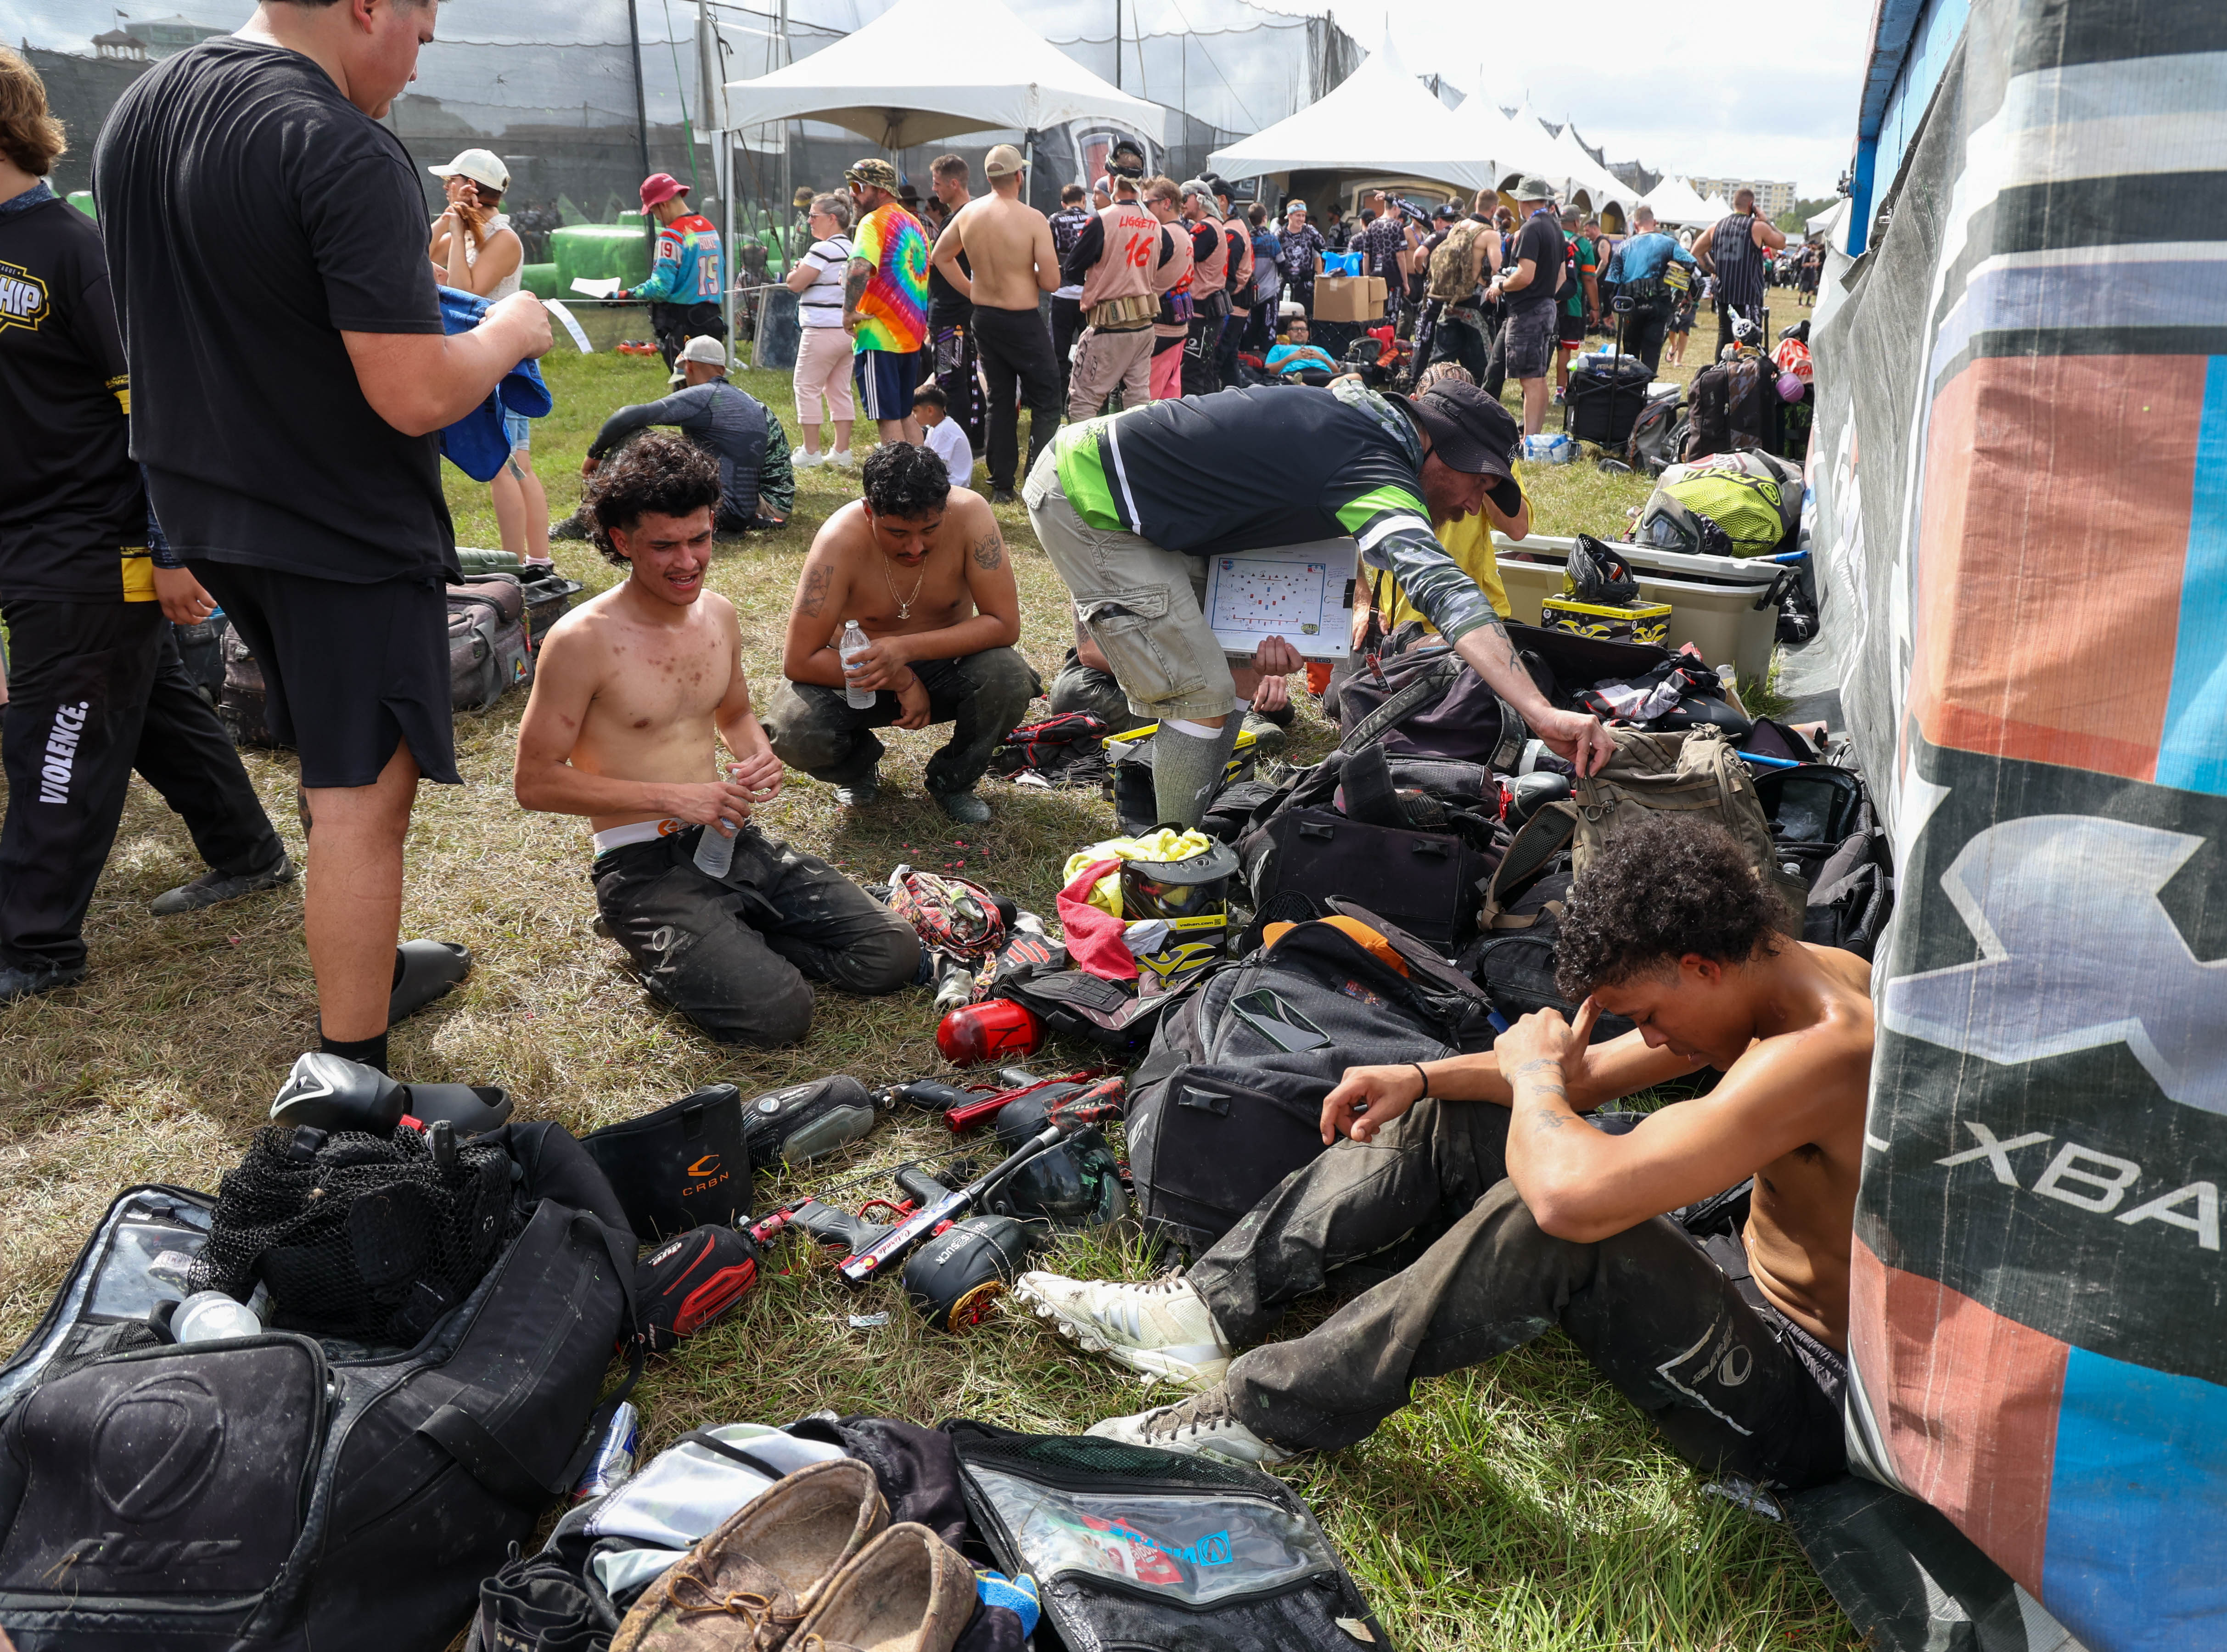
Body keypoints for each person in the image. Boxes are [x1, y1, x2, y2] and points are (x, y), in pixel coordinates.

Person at [1018, 813, 1871, 1497]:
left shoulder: (1829, 1047)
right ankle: (1202, 1310)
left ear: (1700, 967)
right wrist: (1422, 1075)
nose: (1650, 1036)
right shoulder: (1776, 976)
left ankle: (1264, 1416)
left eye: (1646, 1011)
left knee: (1552, 1220)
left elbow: (1569, 1198)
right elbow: (1590, 1078)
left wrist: (1534, 1075)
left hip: (1799, 1391)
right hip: (1742, 1276)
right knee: (1454, 1112)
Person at [95, 0, 553, 1075]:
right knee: (362, 789)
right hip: (334, 521)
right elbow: (412, 394)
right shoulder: (343, 143)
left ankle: (367, 955)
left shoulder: (140, 112)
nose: (423, 50)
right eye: (425, 23)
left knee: (322, 753)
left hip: (205, 498)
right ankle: (353, 1071)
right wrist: (509, 331)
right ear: (367, 6)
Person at [0, 47, 292, 1004]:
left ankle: (36, 945)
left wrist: (166, 551)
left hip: (95, 548)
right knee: (152, 708)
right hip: (30, 541)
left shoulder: (74, 249)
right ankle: (248, 852)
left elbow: (154, 406)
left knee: (56, 732)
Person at [1024, 376, 1611, 829]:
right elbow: (1448, 592)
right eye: (1478, 486)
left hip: (1154, 508)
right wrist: (1541, 713)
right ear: (1446, 452)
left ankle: (1193, 827)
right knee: (1200, 691)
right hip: (1088, 494)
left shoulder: (1371, 420)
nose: (1470, 506)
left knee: (1236, 676)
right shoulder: (1374, 467)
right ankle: (1173, 866)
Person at [514, 434, 922, 1048]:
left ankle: (728, 942)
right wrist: (679, 797)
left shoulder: (719, 615)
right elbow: (534, 782)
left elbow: (733, 713)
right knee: (779, 1013)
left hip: (728, 840)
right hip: (641, 864)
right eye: (664, 546)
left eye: (699, 539)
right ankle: (670, 950)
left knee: (893, 952)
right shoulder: (580, 641)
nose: (687, 562)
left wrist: (755, 752)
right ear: (621, 541)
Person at [763, 444, 1034, 825]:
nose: (915, 547)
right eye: (897, 533)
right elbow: (799, 659)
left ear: (945, 508)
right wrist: (899, 676)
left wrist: (902, 649)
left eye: (930, 530)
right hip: (863, 676)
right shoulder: (839, 541)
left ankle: (953, 780)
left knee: (1008, 677)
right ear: (869, 511)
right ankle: (857, 767)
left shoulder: (971, 514)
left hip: (946, 664)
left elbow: (1004, 624)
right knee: (793, 727)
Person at [426, 147, 550, 573]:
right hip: (484, 356)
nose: (444, 186)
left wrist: (460, 233)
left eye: (451, 180)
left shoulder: (504, 238)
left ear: (471, 188)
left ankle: (519, 566)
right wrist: (448, 222)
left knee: (508, 466)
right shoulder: (468, 230)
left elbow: (467, 292)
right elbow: (417, 256)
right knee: (515, 464)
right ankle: (535, 560)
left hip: (503, 363)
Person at [1350, 362, 1529, 651]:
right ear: (1416, 411)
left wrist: (1478, 470)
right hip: (1395, 627)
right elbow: (1343, 537)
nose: (1471, 508)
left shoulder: (1494, 458)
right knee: (1341, 693)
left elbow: (1518, 528)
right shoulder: (1386, 457)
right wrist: (1362, 603)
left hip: (1474, 621)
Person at [930, 144, 1061, 505]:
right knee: (1048, 398)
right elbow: (1051, 282)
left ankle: (1002, 483)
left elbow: (940, 256)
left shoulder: (969, 213)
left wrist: (972, 290)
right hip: (1020, 319)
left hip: (984, 317)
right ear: (1020, 176)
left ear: (989, 178)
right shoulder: (1032, 218)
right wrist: (1026, 270)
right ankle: (1039, 475)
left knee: (1000, 399)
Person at [582, 337, 792, 534]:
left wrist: (595, 453)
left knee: (638, 440)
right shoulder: (741, 400)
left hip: (760, 502)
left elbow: (627, 416)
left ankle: (588, 518)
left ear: (689, 366)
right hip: (762, 500)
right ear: (722, 369)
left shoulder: (707, 396)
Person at [1061, 169, 1168, 421]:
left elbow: (1073, 270)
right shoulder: (1154, 222)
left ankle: (1083, 459)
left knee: (1083, 402)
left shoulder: (1102, 220)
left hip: (1110, 328)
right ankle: (1136, 455)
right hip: (1144, 327)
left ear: (1112, 182)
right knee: (1138, 403)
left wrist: (1101, 279)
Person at [843, 158, 930, 447]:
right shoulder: (915, 224)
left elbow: (859, 268)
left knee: (889, 418)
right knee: (906, 414)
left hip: (879, 336)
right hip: (910, 337)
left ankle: (896, 487)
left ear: (880, 189)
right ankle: (923, 481)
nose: (852, 194)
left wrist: (848, 312)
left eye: (858, 186)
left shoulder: (873, 221)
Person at [617, 172, 724, 371]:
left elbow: (659, 289)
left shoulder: (671, 236)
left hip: (685, 329)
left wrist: (623, 296)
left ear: (663, 204)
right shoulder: (708, 228)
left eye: (654, 211)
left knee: (685, 392)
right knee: (711, 388)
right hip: (712, 322)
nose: (657, 218)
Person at [1485, 177, 1565, 437]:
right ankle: (1534, 437)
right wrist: (1544, 295)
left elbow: (1525, 274)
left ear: (1524, 200)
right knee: (1538, 377)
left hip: (1528, 311)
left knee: (1529, 379)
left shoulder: (1532, 228)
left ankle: (1529, 440)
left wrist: (1501, 287)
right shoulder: (1555, 227)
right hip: (1547, 307)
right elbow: (1561, 276)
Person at [784, 191, 857, 470]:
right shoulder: (851, 247)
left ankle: (811, 451)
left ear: (832, 219)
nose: (809, 222)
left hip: (821, 330)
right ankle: (841, 450)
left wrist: (797, 270)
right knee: (839, 388)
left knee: (806, 385)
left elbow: (795, 284)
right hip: (846, 330)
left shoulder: (822, 249)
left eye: (814, 216)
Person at [923, 154, 986, 459]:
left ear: (954, 183)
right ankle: (973, 440)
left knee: (950, 380)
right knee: (962, 377)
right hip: (955, 314)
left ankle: (959, 447)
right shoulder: (970, 214)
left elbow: (944, 260)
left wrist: (972, 293)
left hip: (952, 317)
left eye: (937, 184)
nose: (934, 190)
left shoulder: (961, 217)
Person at [1415, 191, 1500, 384]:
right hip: (1474, 303)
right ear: (1493, 209)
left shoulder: (1457, 228)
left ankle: (1428, 396)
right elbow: (1497, 268)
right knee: (1483, 364)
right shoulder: (1489, 234)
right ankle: (1479, 404)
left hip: (1450, 301)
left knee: (1440, 360)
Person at [1601, 205, 1699, 373]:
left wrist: (1606, 311)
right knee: (1651, 355)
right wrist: (1689, 296)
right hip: (1658, 306)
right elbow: (1693, 267)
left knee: (1630, 358)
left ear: (1635, 225)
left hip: (1630, 306)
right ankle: (1646, 392)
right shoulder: (1669, 243)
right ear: (1654, 223)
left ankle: (1631, 395)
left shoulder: (1624, 247)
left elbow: (1609, 283)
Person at [1693, 188, 1785, 361]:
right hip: (1748, 293)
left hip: (1724, 292)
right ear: (1752, 205)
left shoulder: (1716, 226)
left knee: (1725, 336)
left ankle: (1723, 373)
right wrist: (1767, 221)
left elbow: (1696, 251)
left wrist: (1714, 269)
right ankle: (1748, 378)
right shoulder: (1757, 227)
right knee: (1750, 338)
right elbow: (1782, 243)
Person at [1174, 179, 1229, 397]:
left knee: (1191, 373)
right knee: (1205, 372)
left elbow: (1180, 258)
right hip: (1210, 310)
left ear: (1200, 199)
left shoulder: (1205, 228)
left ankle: (1194, 425)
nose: (1181, 204)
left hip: (1202, 312)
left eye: (1184, 198)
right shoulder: (1215, 225)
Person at [1143, 177, 1195, 402]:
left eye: (1147, 204)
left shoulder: (1163, 234)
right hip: (1176, 325)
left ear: (1166, 203)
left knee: (1147, 402)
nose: (1143, 210)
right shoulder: (1184, 233)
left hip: (1160, 327)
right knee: (1169, 397)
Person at [1048, 182, 1093, 406]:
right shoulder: (1094, 220)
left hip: (1062, 294)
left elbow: (1048, 252)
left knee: (1059, 352)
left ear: (1063, 203)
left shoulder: (1055, 219)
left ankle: (1059, 401)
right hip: (1089, 296)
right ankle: (1086, 401)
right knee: (1091, 351)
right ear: (1084, 200)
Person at [1553, 205, 1599, 403]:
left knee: (1542, 347)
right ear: (1577, 223)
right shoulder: (1584, 246)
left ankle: (1530, 390)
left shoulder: (1549, 235)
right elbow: (1589, 279)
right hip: (1571, 304)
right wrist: (1596, 308)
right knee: (1565, 348)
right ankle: (1560, 392)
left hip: (1543, 301)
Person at [1354, 189, 1407, 323]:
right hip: (1393, 277)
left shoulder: (1372, 225)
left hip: (1375, 276)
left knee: (1375, 314)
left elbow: (1366, 255)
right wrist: (1405, 282)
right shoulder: (1397, 226)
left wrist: (1366, 278)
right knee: (1391, 315)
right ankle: (1388, 343)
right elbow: (1401, 256)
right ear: (1395, 208)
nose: (1400, 212)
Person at [1274, 200, 1325, 320]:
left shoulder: (1311, 231)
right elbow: (1273, 260)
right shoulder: (1280, 235)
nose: (1301, 219)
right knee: (1283, 317)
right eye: (1298, 215)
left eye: (1303, 215)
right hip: (1285, 283)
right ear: (1290, 216)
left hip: (1306, 284)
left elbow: (1325, 252)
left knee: (1306, 317)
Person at [913, 382, 972, 482]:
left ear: (930, 411)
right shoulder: (936, 428)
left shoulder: (944, 432)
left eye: (915, 411)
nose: (913, 416)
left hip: (954, 485)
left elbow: (936, 466)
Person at [1245, 204, 1281, 353]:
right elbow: (1282, 262)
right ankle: (1268, 366)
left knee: (1249, 331)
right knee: (1269, 331)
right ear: (1265, 219)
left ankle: (1246, 364)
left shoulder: (1246, 238)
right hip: (1269, 293)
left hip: (1249, 294)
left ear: (1250, 220)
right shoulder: (1272, 240)